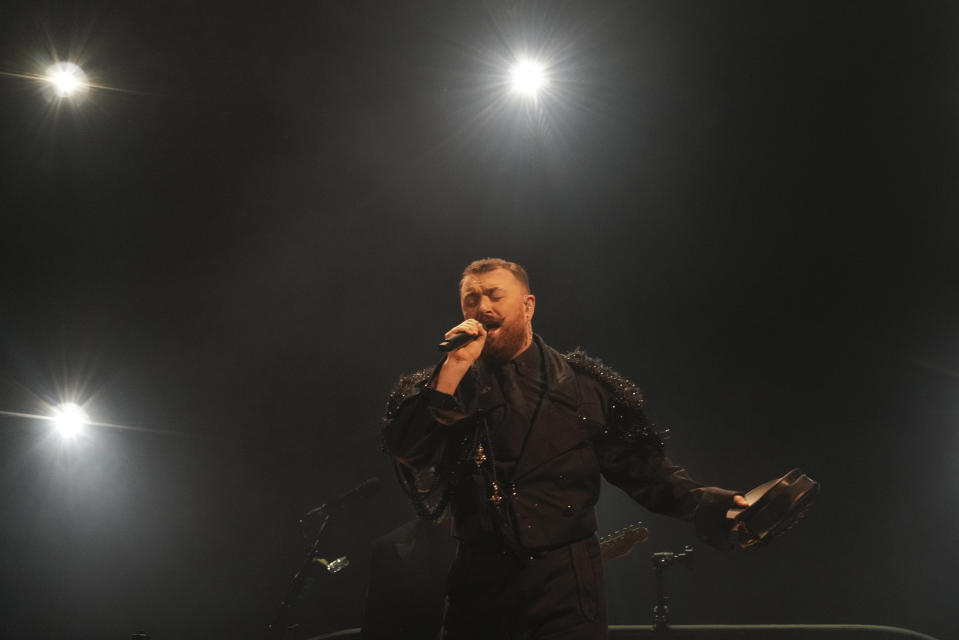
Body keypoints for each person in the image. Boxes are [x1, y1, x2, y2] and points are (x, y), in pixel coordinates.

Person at [382, 258, 748, 640]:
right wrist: (454, 365)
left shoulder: (582, 387)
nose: (482, 308)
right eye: (471, 300)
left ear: (528, 306)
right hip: (479, 582)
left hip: (564, 586)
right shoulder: (445, 387)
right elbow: (407, 449)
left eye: (494, 295)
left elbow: (645, 469)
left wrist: (710, 502)